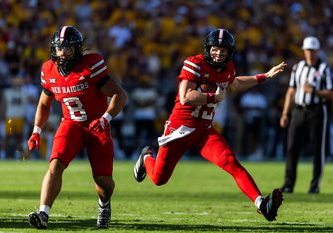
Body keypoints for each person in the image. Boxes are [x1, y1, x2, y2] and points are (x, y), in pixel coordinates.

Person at [133, 28, 286, 221]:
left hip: (204, 131)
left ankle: (262, 204)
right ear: (208, 48)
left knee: (231, 162)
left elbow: (235, 84)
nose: (219, 53)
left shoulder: (228, 68)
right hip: (180, 130)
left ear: (229, 52)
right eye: (215, 49)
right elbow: (186, 97)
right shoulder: (194, 63)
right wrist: (213, 96)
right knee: (158, 179)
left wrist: (264, 76)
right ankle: (147, 156)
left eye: (223, 50)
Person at [27, 26, 127, 229]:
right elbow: (44, 104)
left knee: (103, 182)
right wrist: (36, 130)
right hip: (71, 124)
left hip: (96, 125)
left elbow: (120, 95)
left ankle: (104, 203)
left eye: (67, 48)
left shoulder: (90, 65)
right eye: (59, 48)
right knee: (55, 164)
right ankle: (43, 213)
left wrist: (106, 118)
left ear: (78, 49)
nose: (62, 53)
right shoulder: (48, 69)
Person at [280, 36, 333, 194]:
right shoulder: (298, 67)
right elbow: (291, 90)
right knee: (291, 147)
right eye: (307, 50)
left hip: (317, 110)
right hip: (298, 110)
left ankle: (315, 185)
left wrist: (315, 92)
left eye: (312, 50)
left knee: (318, 149)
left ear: (317, 51)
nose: (309, 53)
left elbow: (331, 93)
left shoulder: (324, 68)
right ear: (303, 51)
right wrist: (285, 113)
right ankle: (289, 183)